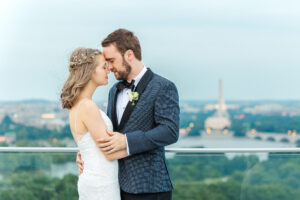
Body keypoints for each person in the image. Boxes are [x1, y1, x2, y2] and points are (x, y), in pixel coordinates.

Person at [76, 29, 180, 200]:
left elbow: (169, 131)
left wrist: (127, 141)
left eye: (111, 60)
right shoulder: (113, 91)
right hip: (115, 185)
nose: (109, 67)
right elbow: (108, 133)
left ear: (129, 54)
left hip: (150, 188)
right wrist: (88, 157)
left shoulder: (163, 86)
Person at [61, 47, 128, 200]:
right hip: (101, 184)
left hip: (95, 179)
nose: (108, 70)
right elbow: (109, 152)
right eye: (104, 66)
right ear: (90, 71)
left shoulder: (78, 105)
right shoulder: (87, 106)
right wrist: (147, 146)